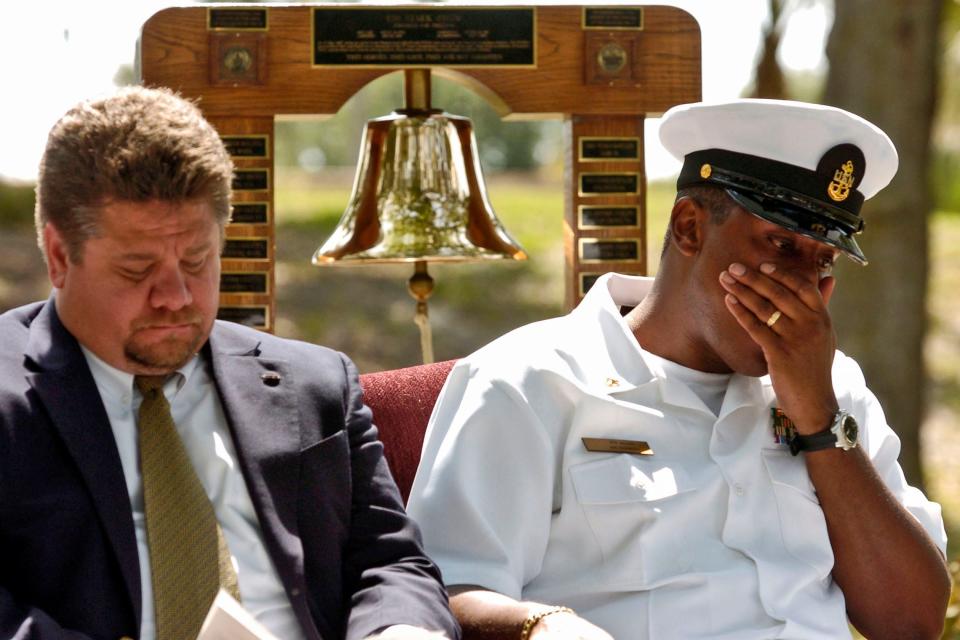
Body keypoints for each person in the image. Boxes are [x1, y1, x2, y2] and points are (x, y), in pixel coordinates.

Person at [406, 99, 951, 640]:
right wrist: (545, 625)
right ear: (689, 227)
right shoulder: (529, 381)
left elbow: (911, 622)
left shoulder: (834, 388)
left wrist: (820, 420)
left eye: (823, 261)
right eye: (782, 245)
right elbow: (440, 594)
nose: (804, 290)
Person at [0, 86, 459, 640]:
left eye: (197, 260)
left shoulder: (315, 385)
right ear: (57, 256)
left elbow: (390, 562)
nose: (175, 296)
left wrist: (399, 631)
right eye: (135, 269)